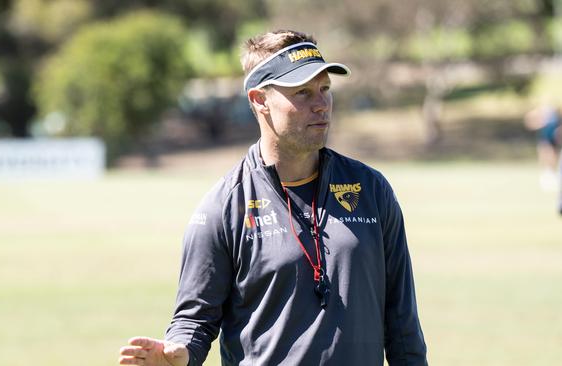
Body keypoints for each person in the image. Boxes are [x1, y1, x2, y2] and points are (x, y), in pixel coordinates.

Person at [119, 30, 428, 366]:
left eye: (325, 89)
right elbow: (194, 319)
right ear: (259, 99)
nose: (321, 104)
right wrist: (178, 354)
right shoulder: (224, 206)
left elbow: (402, 325)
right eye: (303, 92)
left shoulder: (371, 189)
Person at [524, 103, 561, 191]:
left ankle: (552, 175)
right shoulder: (541, 116)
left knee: (554, 157)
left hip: (553, 140)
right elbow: (530, 123)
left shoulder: (555, 118)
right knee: (546, 156)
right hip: (545, 139)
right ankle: (546, 176)